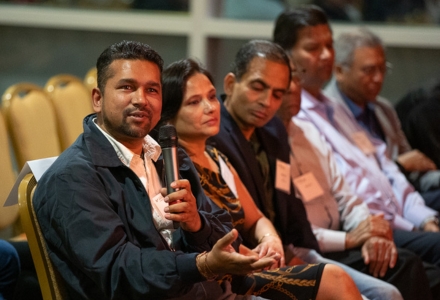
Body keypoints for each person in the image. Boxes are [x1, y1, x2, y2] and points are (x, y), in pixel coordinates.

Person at [32, 40, 294, 300]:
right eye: (127, 87)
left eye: (152, 90)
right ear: (98, 99)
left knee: (328, 280)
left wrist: (196, 223)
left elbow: (225, 232)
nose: (141, 100)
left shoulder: (168, 155)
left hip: (217, 292)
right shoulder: (73, 178)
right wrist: (201, 265)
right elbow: (119, 271)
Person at [206, 39, 400, 300]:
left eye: (277, 94)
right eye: (257, 87)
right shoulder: (212, 136)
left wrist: (297, 254)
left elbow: (288, 201)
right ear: (230, 84)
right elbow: (228, 224)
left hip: (289, 249)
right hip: (248, 261)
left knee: (388, 293)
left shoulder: (274, 131)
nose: (267, 102)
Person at [158, 57, 363, 300]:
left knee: (341, 281)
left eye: (212, 97)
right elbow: (212, 239)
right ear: (169, 118)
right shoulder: (175, 168)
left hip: (255, 263)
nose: (210, 107)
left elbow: (256, 219)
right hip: (226, 277)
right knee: (335, 280)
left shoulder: (215, 155)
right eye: (194, 102)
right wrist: (258, 257)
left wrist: (270, 239)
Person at [272, 3, 440, 278]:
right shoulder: (293, 116)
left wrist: (423, 218)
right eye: (314, 48)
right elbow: (342, 191)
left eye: (329, 45)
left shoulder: (336, 106)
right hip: (349, 230)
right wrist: (367, 229)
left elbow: (386, 169)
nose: (327, 55)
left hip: (383, 220)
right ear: (285, 54)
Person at [324, 27, 440, 211]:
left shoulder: (383, 109)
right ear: (339, 70)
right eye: (369, 70)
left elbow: (417, 168)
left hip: (407, 197)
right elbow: (349, 181)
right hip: (367, 208)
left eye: (382, 69)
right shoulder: (325, 115)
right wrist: (399, 166)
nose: (378, 78)